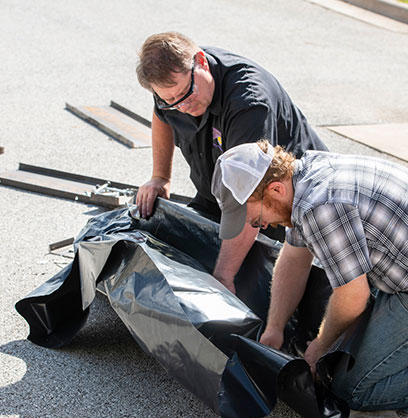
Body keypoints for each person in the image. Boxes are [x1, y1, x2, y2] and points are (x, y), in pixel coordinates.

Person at [210, 140, 408, 418]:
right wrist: (274, 328)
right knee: (341, 357)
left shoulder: (320, 206)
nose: (260, 225)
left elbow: (353, 296)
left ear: (275, 190)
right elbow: (293, 258)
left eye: (255, 218)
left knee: (352, 389)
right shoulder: (306, 175)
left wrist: (319, 347)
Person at [135, 32, 327, 293]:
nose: (181, 106)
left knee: (263, 286)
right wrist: (160, 176)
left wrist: (224, 277)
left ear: (200, 61)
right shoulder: (174, 88)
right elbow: (162, 115)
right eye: (170, 101)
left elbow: (249, 197)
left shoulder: (248, 103)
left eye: (185, 94)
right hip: (223, 191)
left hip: (280, 205)